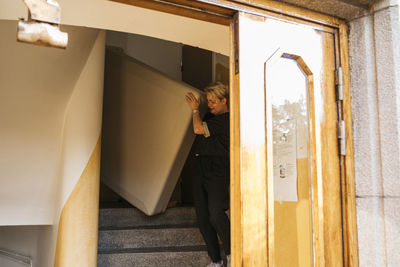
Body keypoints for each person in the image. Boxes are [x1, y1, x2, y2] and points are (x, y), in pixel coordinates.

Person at [185, 82, 231, 267]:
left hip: (217, 169)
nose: (210, 105)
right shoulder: (209, 116)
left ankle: (231, 254)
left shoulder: (227, 119)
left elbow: (198, 129)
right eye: (208, 101)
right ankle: (216, 261)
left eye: (213, 101)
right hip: (200, 168)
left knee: (216, 214)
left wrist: (195, 111)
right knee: (203, 218)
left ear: (224, 100)